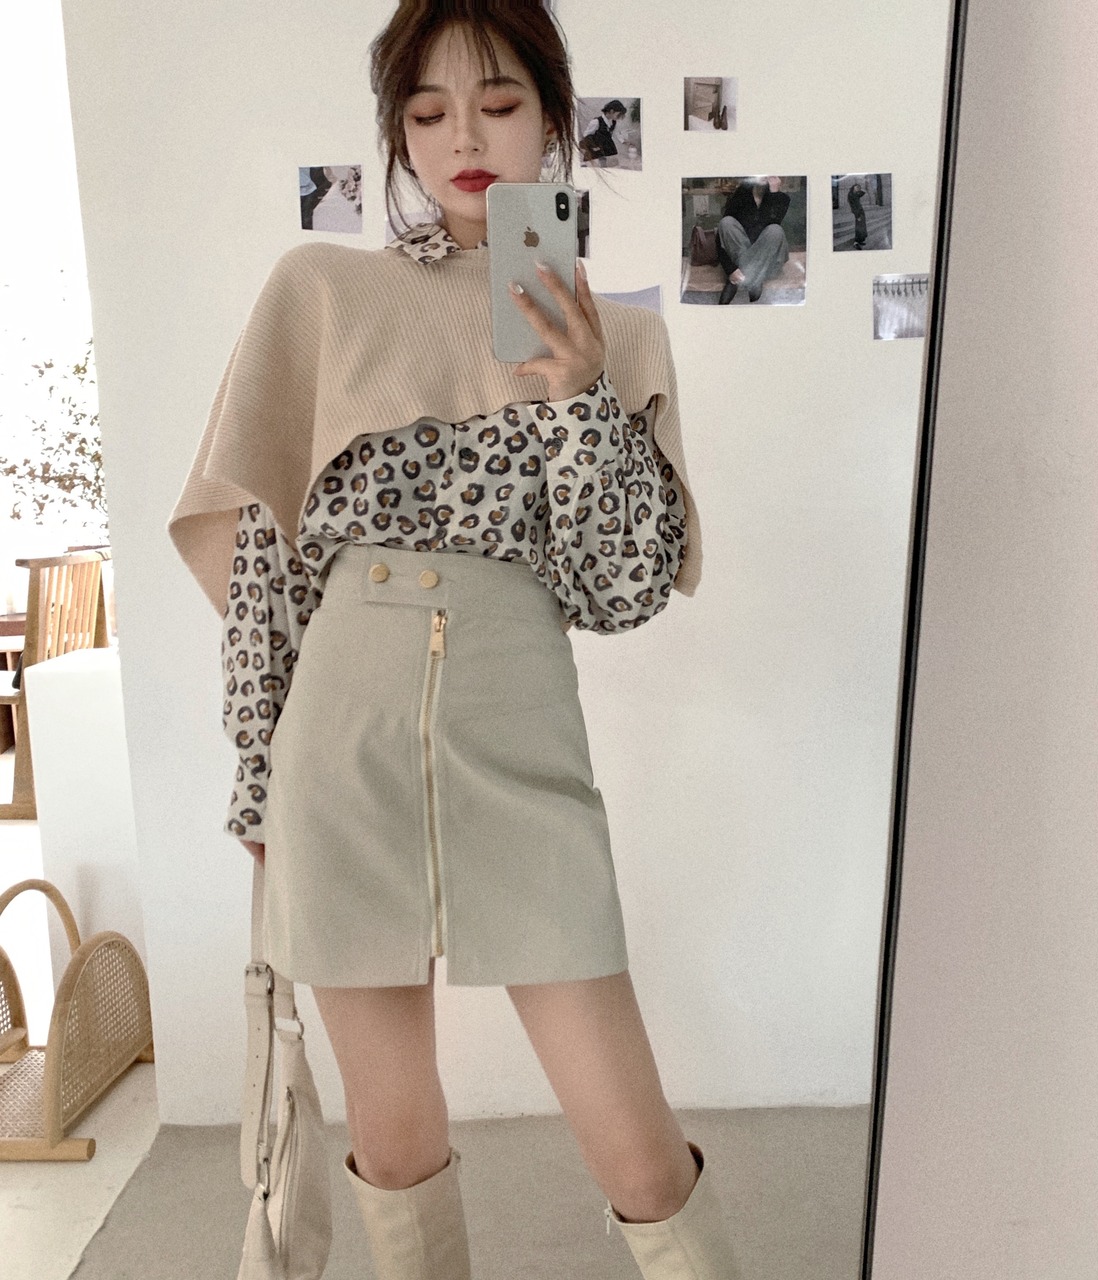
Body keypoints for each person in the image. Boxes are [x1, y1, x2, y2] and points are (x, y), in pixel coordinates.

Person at [166, 5, 739, 1279]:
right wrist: (256, 773)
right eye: (426, 114)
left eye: (496, 103)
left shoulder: (617, 336)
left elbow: (620, 588)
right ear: (398, 138)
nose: (462, 139)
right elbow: (266, 570)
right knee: (393, 1136)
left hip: (516, 724)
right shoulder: (323, 294)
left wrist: (579, 399)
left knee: (640, 1155)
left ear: (553, 119)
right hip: (341, 733)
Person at [715, 176, 790, 304]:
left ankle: (736, 282)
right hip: (742, 256)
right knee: (726, 222)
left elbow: (768, 223)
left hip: (767, 260)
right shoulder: (742, 194)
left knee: (775, 230)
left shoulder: (781, 198)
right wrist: (731, 270)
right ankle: (755, 279)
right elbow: (722, 234)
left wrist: (773, 193)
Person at [578, 98, 626, 164]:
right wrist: (594, 146)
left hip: (608, 147)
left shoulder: (613, 122)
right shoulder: (596, 122)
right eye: (618, 115)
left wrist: (623, 141)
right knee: (596, 164)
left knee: (608, 163)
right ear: (611, 111)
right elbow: (586, 135)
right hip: (596, 148)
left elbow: (615, 133)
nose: (619, 117)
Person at [846, 181, 868, 249]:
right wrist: (857, 215)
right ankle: (856, 243)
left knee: (862, 227)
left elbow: (863, 192)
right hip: (857, 212)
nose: (858, 188)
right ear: (853, 187)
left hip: (861, 211)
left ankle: (860, 240)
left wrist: (860, 189)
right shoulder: (851, 194)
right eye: (856, 187)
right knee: (858, 228)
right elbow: (852, 206)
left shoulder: (857, 193)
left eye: (859, 187)